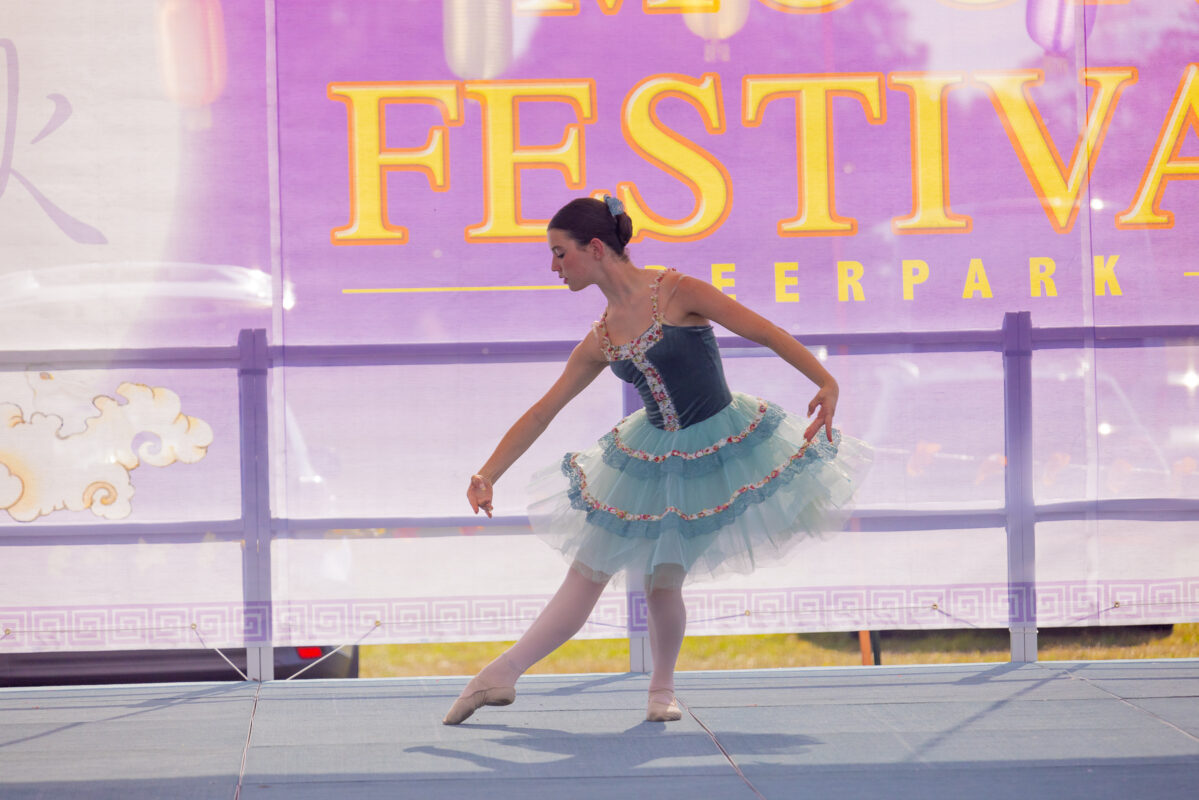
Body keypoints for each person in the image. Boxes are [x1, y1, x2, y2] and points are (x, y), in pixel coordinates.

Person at [443, 195, 870, 725]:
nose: (552, 267)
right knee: (592, 573)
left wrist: (825, 381)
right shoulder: (601, 336)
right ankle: (500, 676)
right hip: (648, 455)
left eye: (559, 253)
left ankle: (658, 689)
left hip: (718, 446)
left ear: (595, 248)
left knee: (663, 581)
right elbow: (542, 412)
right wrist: (488, 472)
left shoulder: (679, 291)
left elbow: (764, 330)